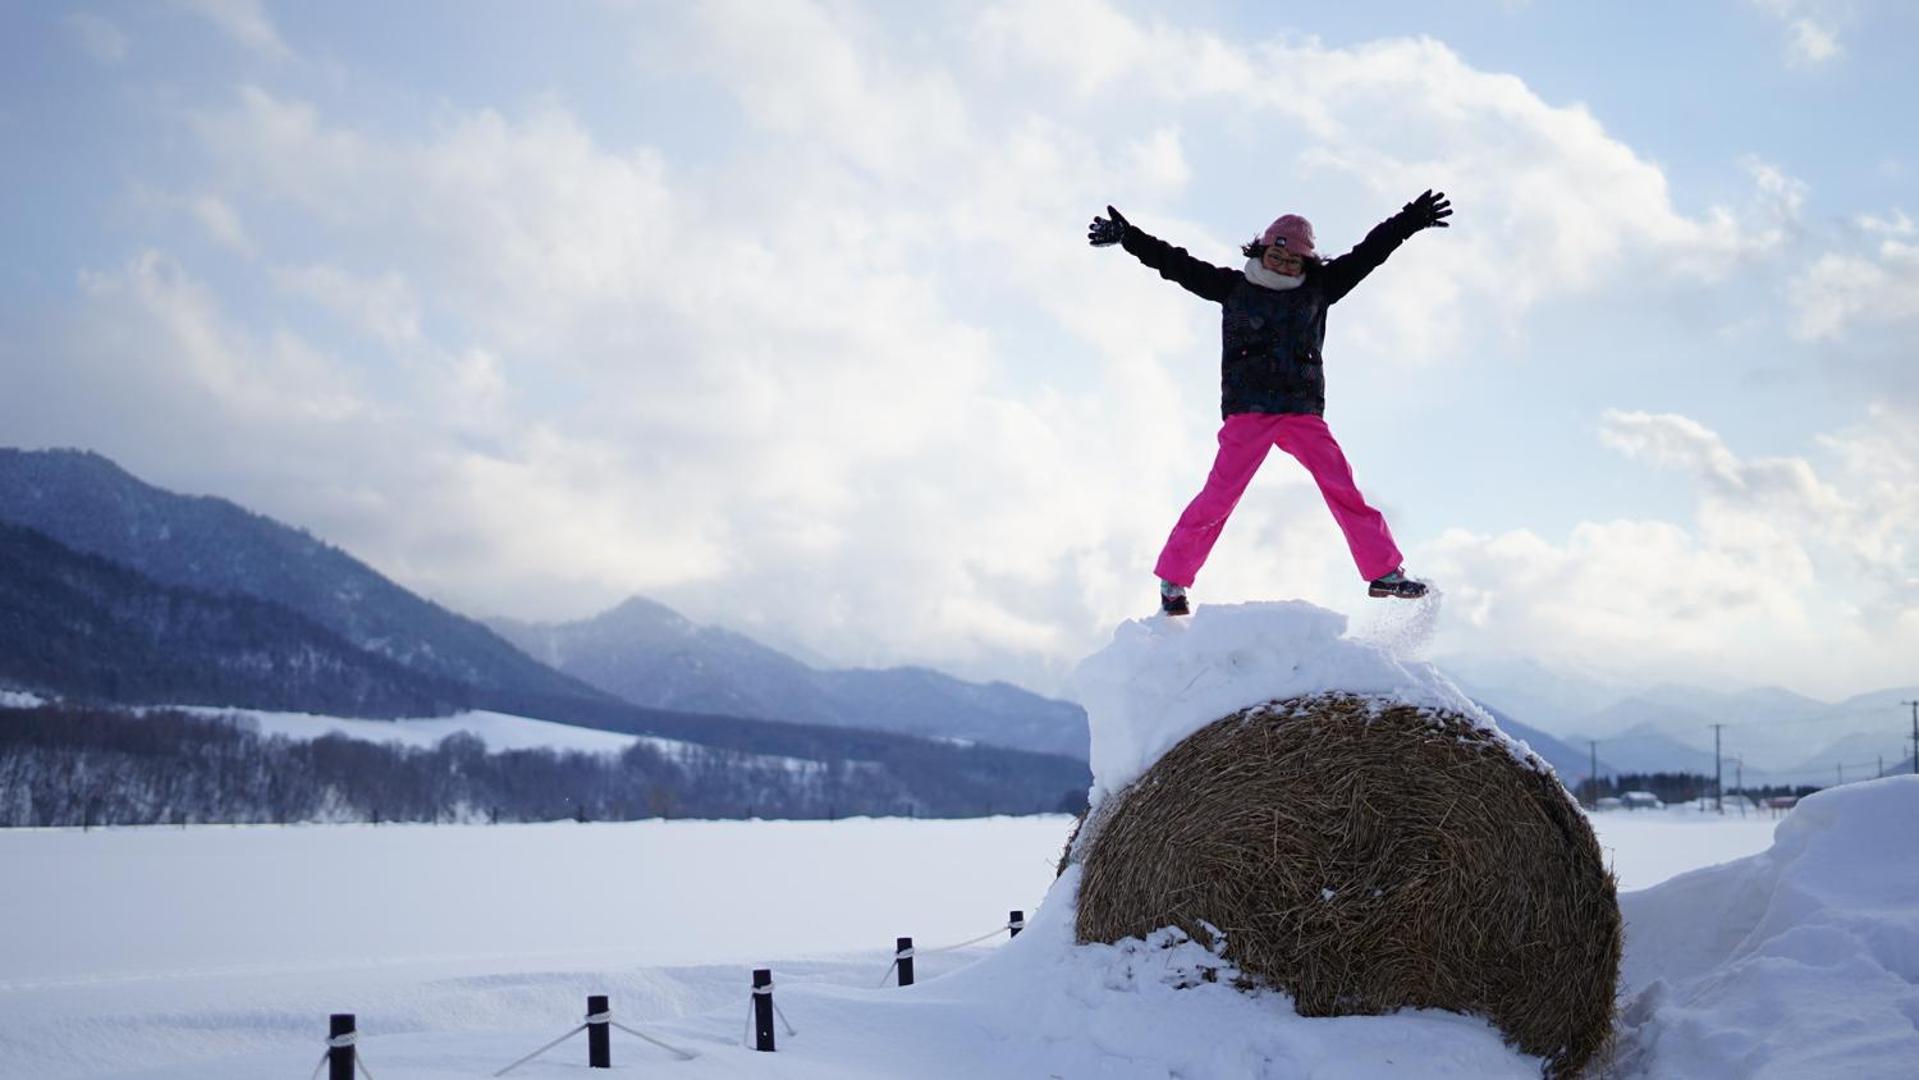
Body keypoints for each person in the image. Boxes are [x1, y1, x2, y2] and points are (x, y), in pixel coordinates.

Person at [1087, 191, 1452, 615]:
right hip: (1249, 410)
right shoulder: (1233, 288)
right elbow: (1176, 264)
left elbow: (1370, 252)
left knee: (1343, 486)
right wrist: (1129, 237)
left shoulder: (1321, 290)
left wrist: (1411, 220)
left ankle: (1384, 573)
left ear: (1306, 264)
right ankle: (1174, 580)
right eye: (1276, 257)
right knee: (1220, 495)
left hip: (1301, 412)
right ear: (1261, 250)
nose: (1282, 265)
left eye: (1293, 261)